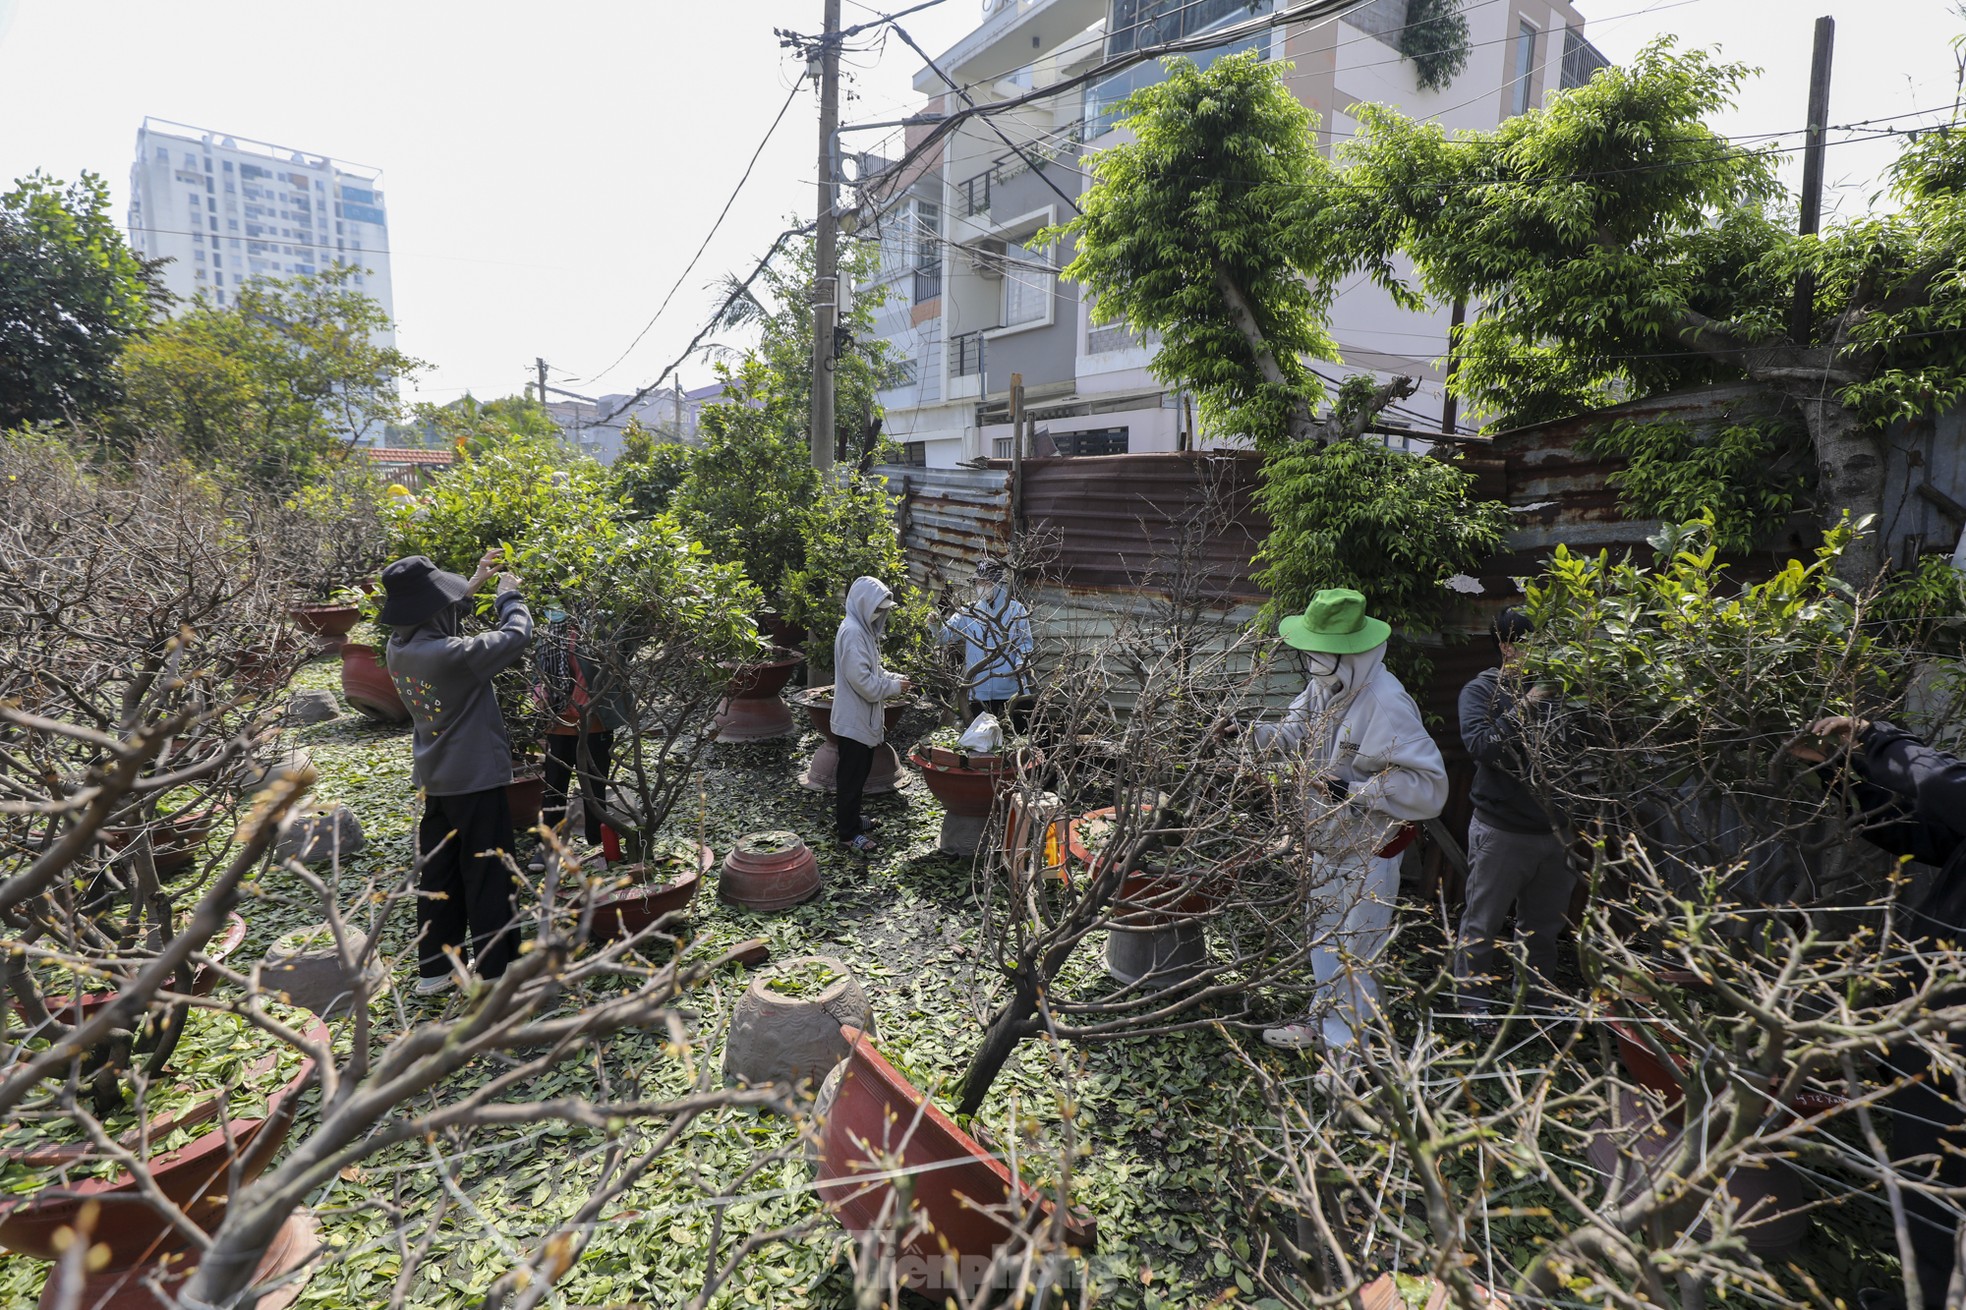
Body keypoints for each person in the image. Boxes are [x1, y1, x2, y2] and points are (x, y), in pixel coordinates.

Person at [1792, 715, 1966, 1309]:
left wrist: (1875, 738)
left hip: (1955, 1043)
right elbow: (1922, 837)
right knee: (1930, 1178)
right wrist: (1837, 774)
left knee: (1942, 1178)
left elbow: (1950, 789)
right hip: (1938, 1025)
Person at [1250, 588, 1449, 1055]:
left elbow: (1429, 787)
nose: (1311, 661)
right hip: (1328, 838)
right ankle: (1327, 1025)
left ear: (1348, 653)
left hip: (1370, 849)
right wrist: (1249, 733)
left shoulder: (1386, 703)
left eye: (1319, 654)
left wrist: (1352, 792)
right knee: (1324, 936)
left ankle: (1349, 1054)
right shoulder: (1327, 685)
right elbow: (1295, 732)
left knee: (1355, 950)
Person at [381, 550, 532, 995]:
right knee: (488, 872)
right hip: (477, 779)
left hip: (437, 780)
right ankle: (495, 971)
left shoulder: (400, 647)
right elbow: (516, 635)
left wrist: (473, 585)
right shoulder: (452, 656)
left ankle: (434, 970)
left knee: (440, 875)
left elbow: (437, 620)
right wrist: (510, 597)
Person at [1453, 607, 1573, 1015]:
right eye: (1532, 646)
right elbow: (1482, 747)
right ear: (1506, 647)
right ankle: (1472, 1007)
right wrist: (1528, 703)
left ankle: (1538, 1005)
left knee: (1543, 930)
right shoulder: (1481, 690)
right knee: (1481, 926)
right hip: (1501, 830)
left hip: (1557, 832)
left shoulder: (1568, 690)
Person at [527, 604, 630, 873]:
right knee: (554, 787)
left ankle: (600, 843)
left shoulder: (599, 627)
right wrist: (539, 694)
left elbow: (625, 651)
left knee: (594, 788)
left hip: (595, 721)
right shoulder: (548, 632)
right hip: (558, 721)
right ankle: (547, 846)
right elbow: (536, 671)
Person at [834, 576, 912, 856]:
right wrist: (893, 687)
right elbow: (865, 684)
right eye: (877, 608)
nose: (880, 614)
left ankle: (853, 821)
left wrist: (896, 679)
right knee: (851, 779)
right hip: (853, 721)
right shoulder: (853, 632)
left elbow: (873, 671)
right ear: (864, 604)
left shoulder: (863, 631)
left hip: (860, 720)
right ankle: (848, 834)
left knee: (858, 774)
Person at [939, 559, 1033, 732]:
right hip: (979, 691)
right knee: (982, 745)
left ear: (999, 584)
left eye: (987, 582)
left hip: (1011, 689)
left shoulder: (1016, 610)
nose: (982, 586)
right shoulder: (969, 612)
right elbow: (945, 636)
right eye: (979, 582)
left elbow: (1025, 643)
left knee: (1016, 739)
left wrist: (1021, 664)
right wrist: (935, 625)